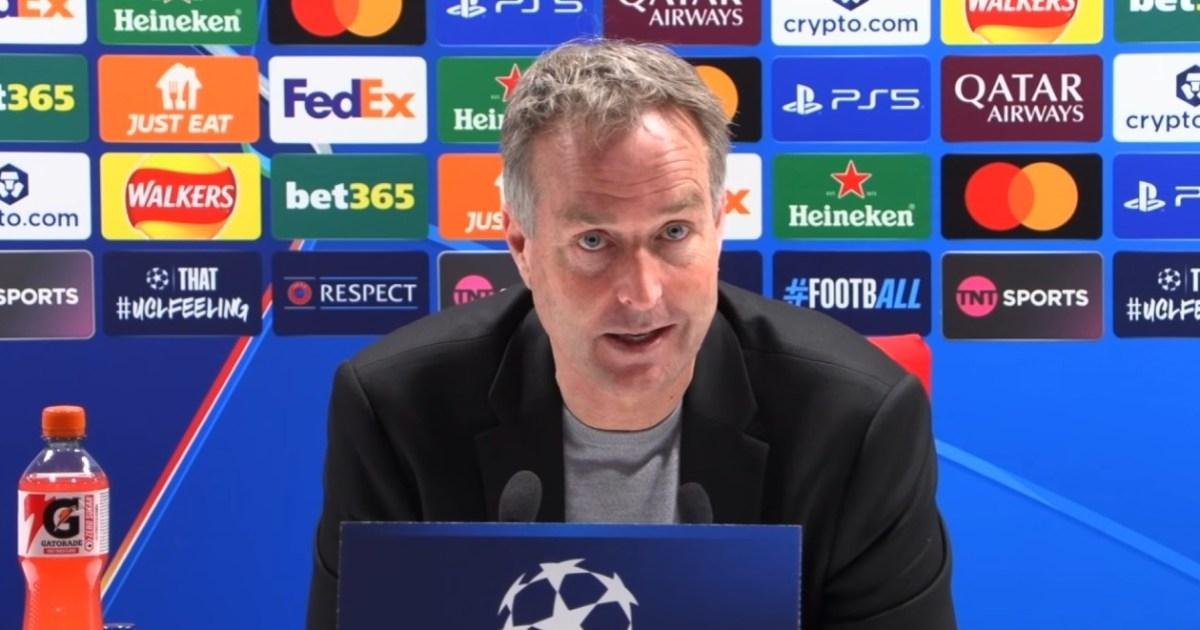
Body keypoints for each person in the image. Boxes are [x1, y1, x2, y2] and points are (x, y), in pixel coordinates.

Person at [307, 39, 955, 629]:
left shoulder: (854, 424)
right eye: (594, 241)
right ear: (522, 246)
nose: (642, 295)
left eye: (674, 233)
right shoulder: (398, 410)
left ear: (718, 226)